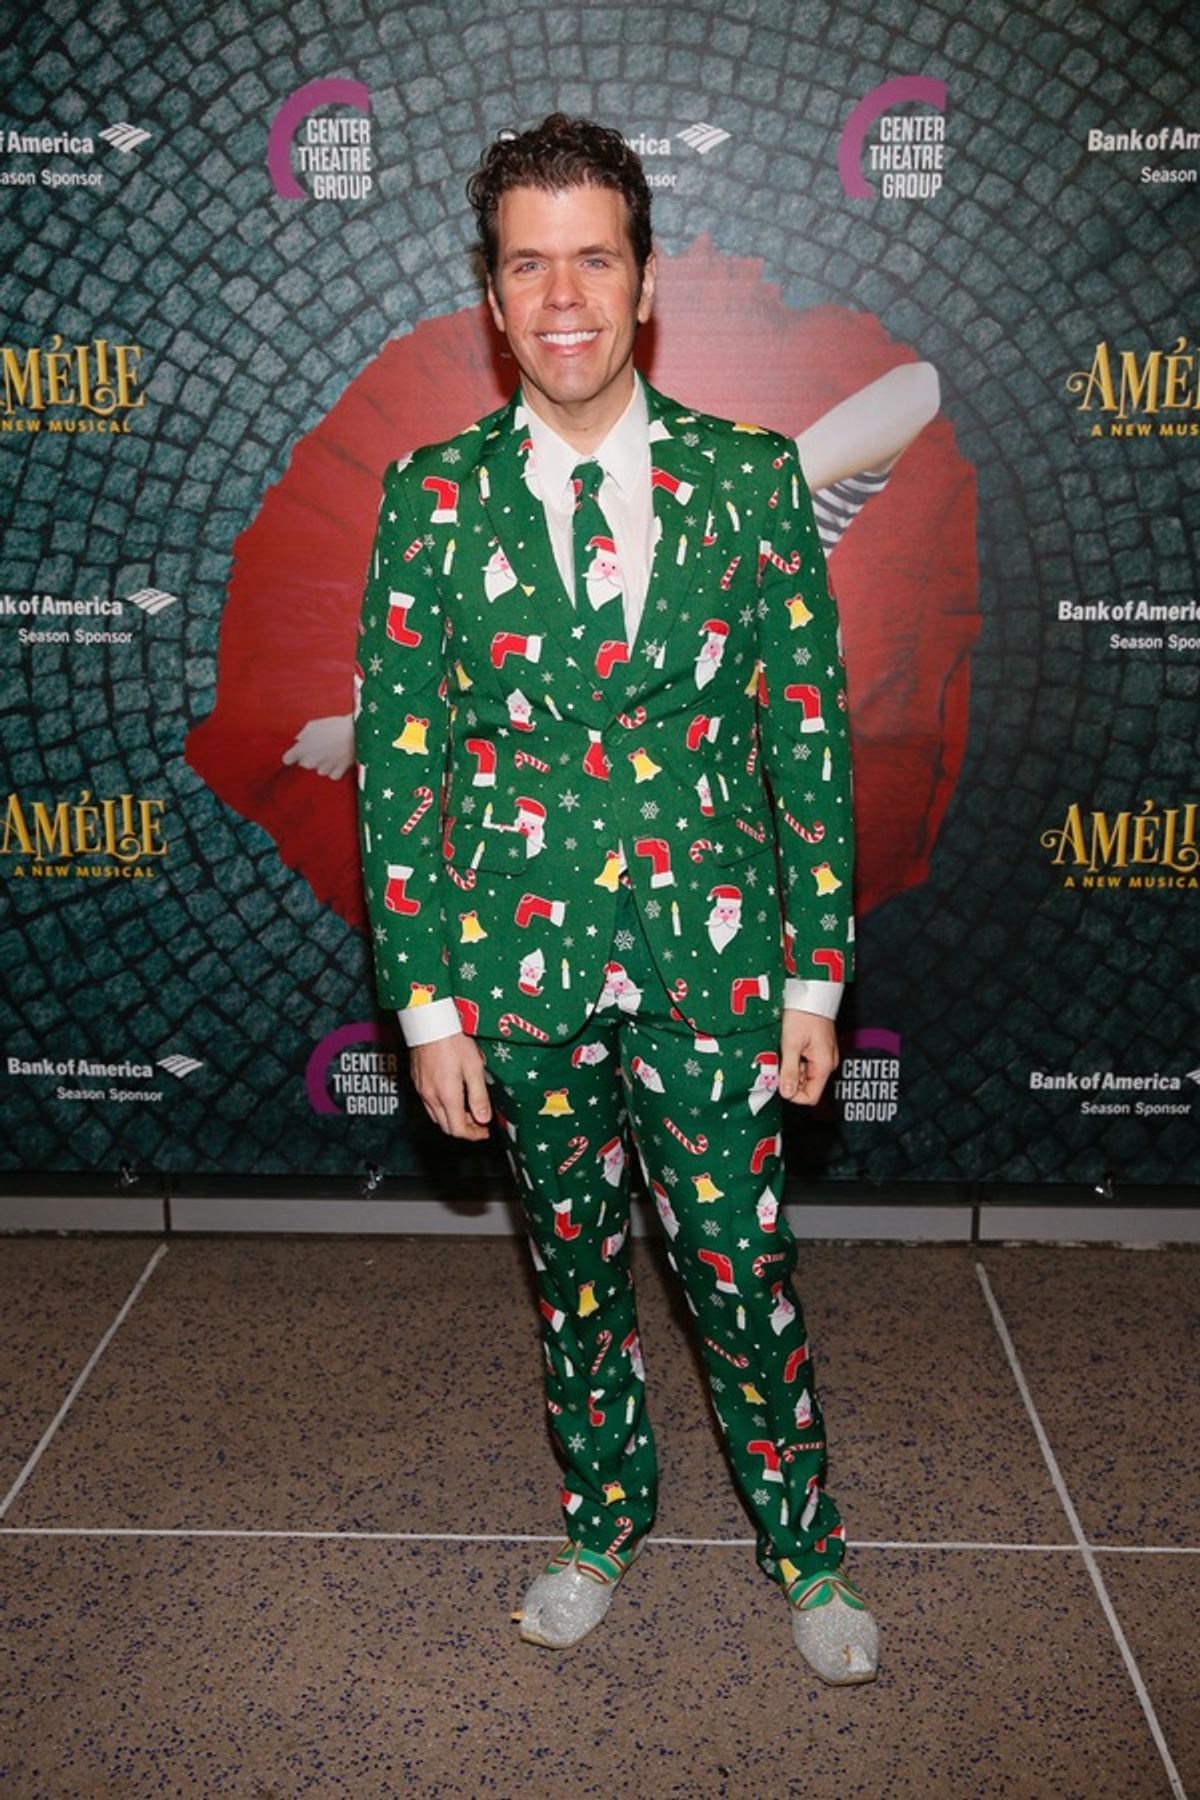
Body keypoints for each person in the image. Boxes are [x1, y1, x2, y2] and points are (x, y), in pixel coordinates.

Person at [355, 113, 878, 1683]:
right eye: (531, 264)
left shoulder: (751, 478)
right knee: (572, 1272)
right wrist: (429, 1004)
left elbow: (807, 738)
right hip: (516, 975)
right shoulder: (430, 499)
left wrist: (812, 979)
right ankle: (602, 1525)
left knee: (738, 1266)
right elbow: (400, 767)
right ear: (495, 295)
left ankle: (810, 1553)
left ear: (642, 283)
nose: (563, 293)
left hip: (714, 966)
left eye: (594, 258)